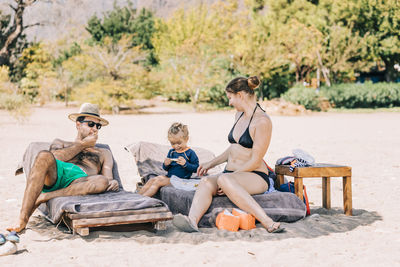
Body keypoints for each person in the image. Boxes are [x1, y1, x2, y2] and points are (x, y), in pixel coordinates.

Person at [172, 76, 283, 233]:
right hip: (232, 175)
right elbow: (233, 149)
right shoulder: (238, 116)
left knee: (223, 178)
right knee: (205, 182)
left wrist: (229, 179)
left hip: (255, 175)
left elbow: (256, 159)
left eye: (230, 98)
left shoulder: (262, 121)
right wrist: (211, 163)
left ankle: (268, 222)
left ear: (240, 95)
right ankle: (192, 222)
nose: (229, 102)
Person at [7, 103, 119, 233]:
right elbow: (54, 158)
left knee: (102, 182)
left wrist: (113, 181)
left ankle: (45, 196)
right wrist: (82, 145)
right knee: (43, 155)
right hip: (57, 173)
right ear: (78, 124)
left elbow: (107, 179)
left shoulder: (103, 152)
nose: (94, 129)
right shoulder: (61, 143)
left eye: (98, 126)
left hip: (79, 181)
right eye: (91, 124)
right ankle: (22, 219)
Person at [139, 122, 199, 197]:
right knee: (152, 180)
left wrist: (185, 164)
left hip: (181, 180)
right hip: (170, 177)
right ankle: (137, 197)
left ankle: (143, 198)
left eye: (179, 143)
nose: (176, 146)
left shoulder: (190, 153)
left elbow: (196, 168)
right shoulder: (172, 152)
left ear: (186, 139)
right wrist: (166, 164)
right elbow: (166, 169)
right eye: (173, 144)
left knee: (158, 182)